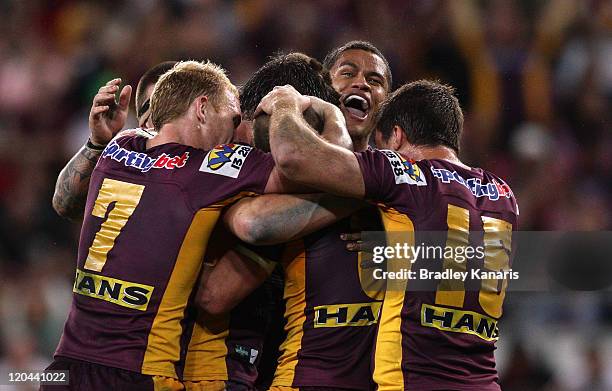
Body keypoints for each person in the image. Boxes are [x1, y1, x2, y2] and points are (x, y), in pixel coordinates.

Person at [43, 60, 317, 390]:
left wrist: (99, 143)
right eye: (231, 119)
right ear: (202, 108)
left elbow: (65, 201)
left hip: (67, 370)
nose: (231, 136)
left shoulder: (119, 147)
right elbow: (297, 172)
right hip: (148, 372)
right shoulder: (207, 170)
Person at [257, 81, 518, 390]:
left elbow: (293, 157)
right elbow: (460, 250)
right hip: (484, 382)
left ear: (396, 136)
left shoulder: (405, 173)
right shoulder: (503, 194)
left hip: (414, 381)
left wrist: (286, 103)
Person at [217, 43, 393, 390]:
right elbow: (221, 284)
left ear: (386, 102)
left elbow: (478, 261)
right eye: (348, 73)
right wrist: (363, 197)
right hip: (283, 368)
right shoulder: (281, 172)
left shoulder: (401, 180)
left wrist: (404, 247)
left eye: (375, 80)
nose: (361, 83)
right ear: (324, 93)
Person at [52, 61, 176, 220]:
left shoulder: (212, 164)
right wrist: (98, 144)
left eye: (180, 105)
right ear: (144, 121)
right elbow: (65, 205)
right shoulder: (128, 164)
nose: (173, 117)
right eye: (159, 106)